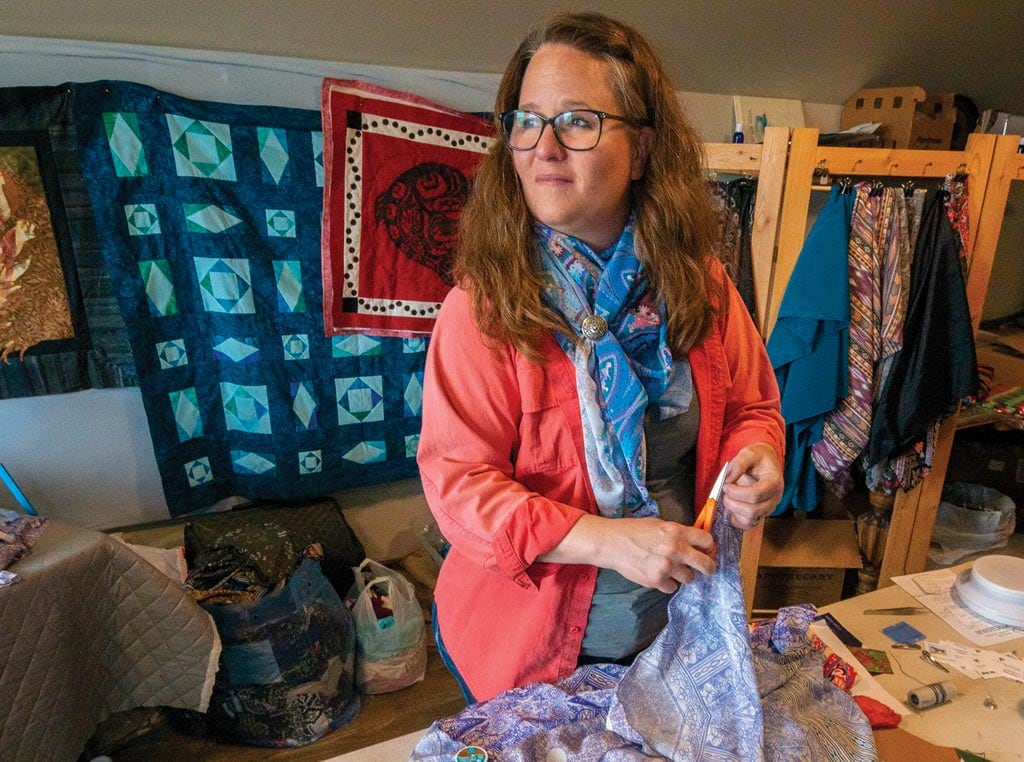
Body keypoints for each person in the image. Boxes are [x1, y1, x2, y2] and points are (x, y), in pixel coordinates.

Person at [416, 11, 785, 704]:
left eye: (578, 121)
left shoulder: (697, 281)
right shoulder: (484, 308)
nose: (544, 147)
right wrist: (608, 541)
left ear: (642, 149)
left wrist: (760, 458)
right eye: (527, 121)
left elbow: (752, 407)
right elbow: (460, 490)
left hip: (677, 634)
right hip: (534, 654)